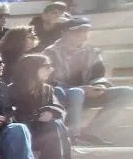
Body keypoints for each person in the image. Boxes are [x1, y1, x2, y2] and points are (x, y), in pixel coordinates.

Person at [44, 18, 133, 146]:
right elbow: (48, 81)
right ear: (64, 33)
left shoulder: (93, 51)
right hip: (60, 94)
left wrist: (99, 86)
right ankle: (72, 136)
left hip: (87, 93)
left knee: (127, 92)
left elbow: (99, 75)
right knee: (76, 92)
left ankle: (91, 134)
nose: (82, 34)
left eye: (86, 31)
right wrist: (82, 89)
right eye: (77, 31)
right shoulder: (50, 52)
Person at [10, 55, 82, 159]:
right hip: (23, 134)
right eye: (47, 66)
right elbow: (10, 113)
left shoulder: (47, 89)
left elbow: (59, 108)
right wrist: (35, 116)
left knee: (57, 125)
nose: (51, 69)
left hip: (44, 133)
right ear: (33, 69)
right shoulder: (11, 90)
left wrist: (51, 111)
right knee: (57, 129)